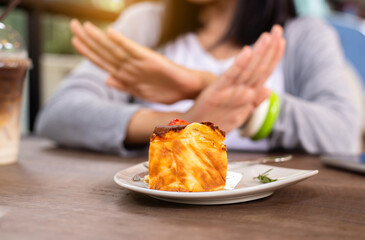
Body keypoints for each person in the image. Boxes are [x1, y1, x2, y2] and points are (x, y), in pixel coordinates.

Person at [36, 0, 361, 156]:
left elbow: (344, 134)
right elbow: (59, 114)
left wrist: (203, 85)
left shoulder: (304, 35)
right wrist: (185, 122)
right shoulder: (146, 23)